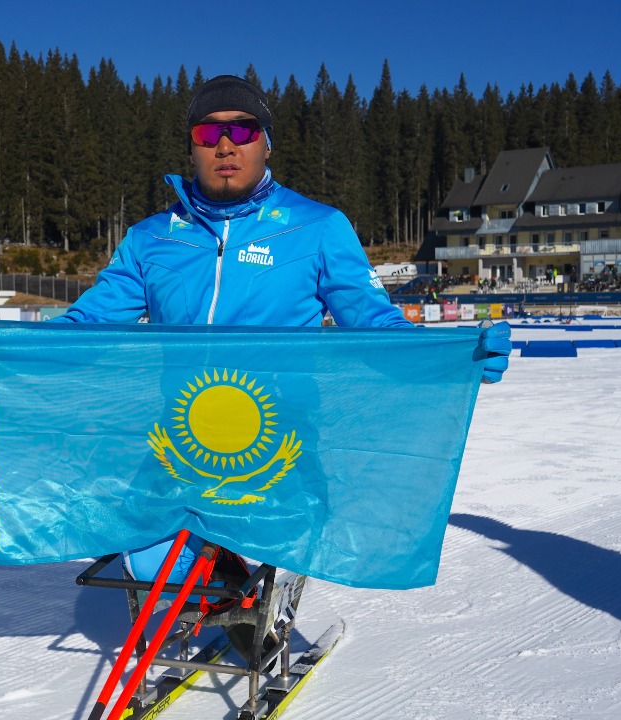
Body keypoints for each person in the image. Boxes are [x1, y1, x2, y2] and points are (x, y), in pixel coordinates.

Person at [51, 74, 511, 627]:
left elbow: (373, 322)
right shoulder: (152, 237)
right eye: (208, 132)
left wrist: (453, 357)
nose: (226, 145)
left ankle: (255, 603)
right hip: (180, 446)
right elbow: (85, 325)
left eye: (242, 130)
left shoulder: (317, 227)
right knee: (149, 566)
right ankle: (223, 594)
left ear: (266, 141)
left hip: (277, 449)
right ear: (192, 145)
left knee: (267, 561)